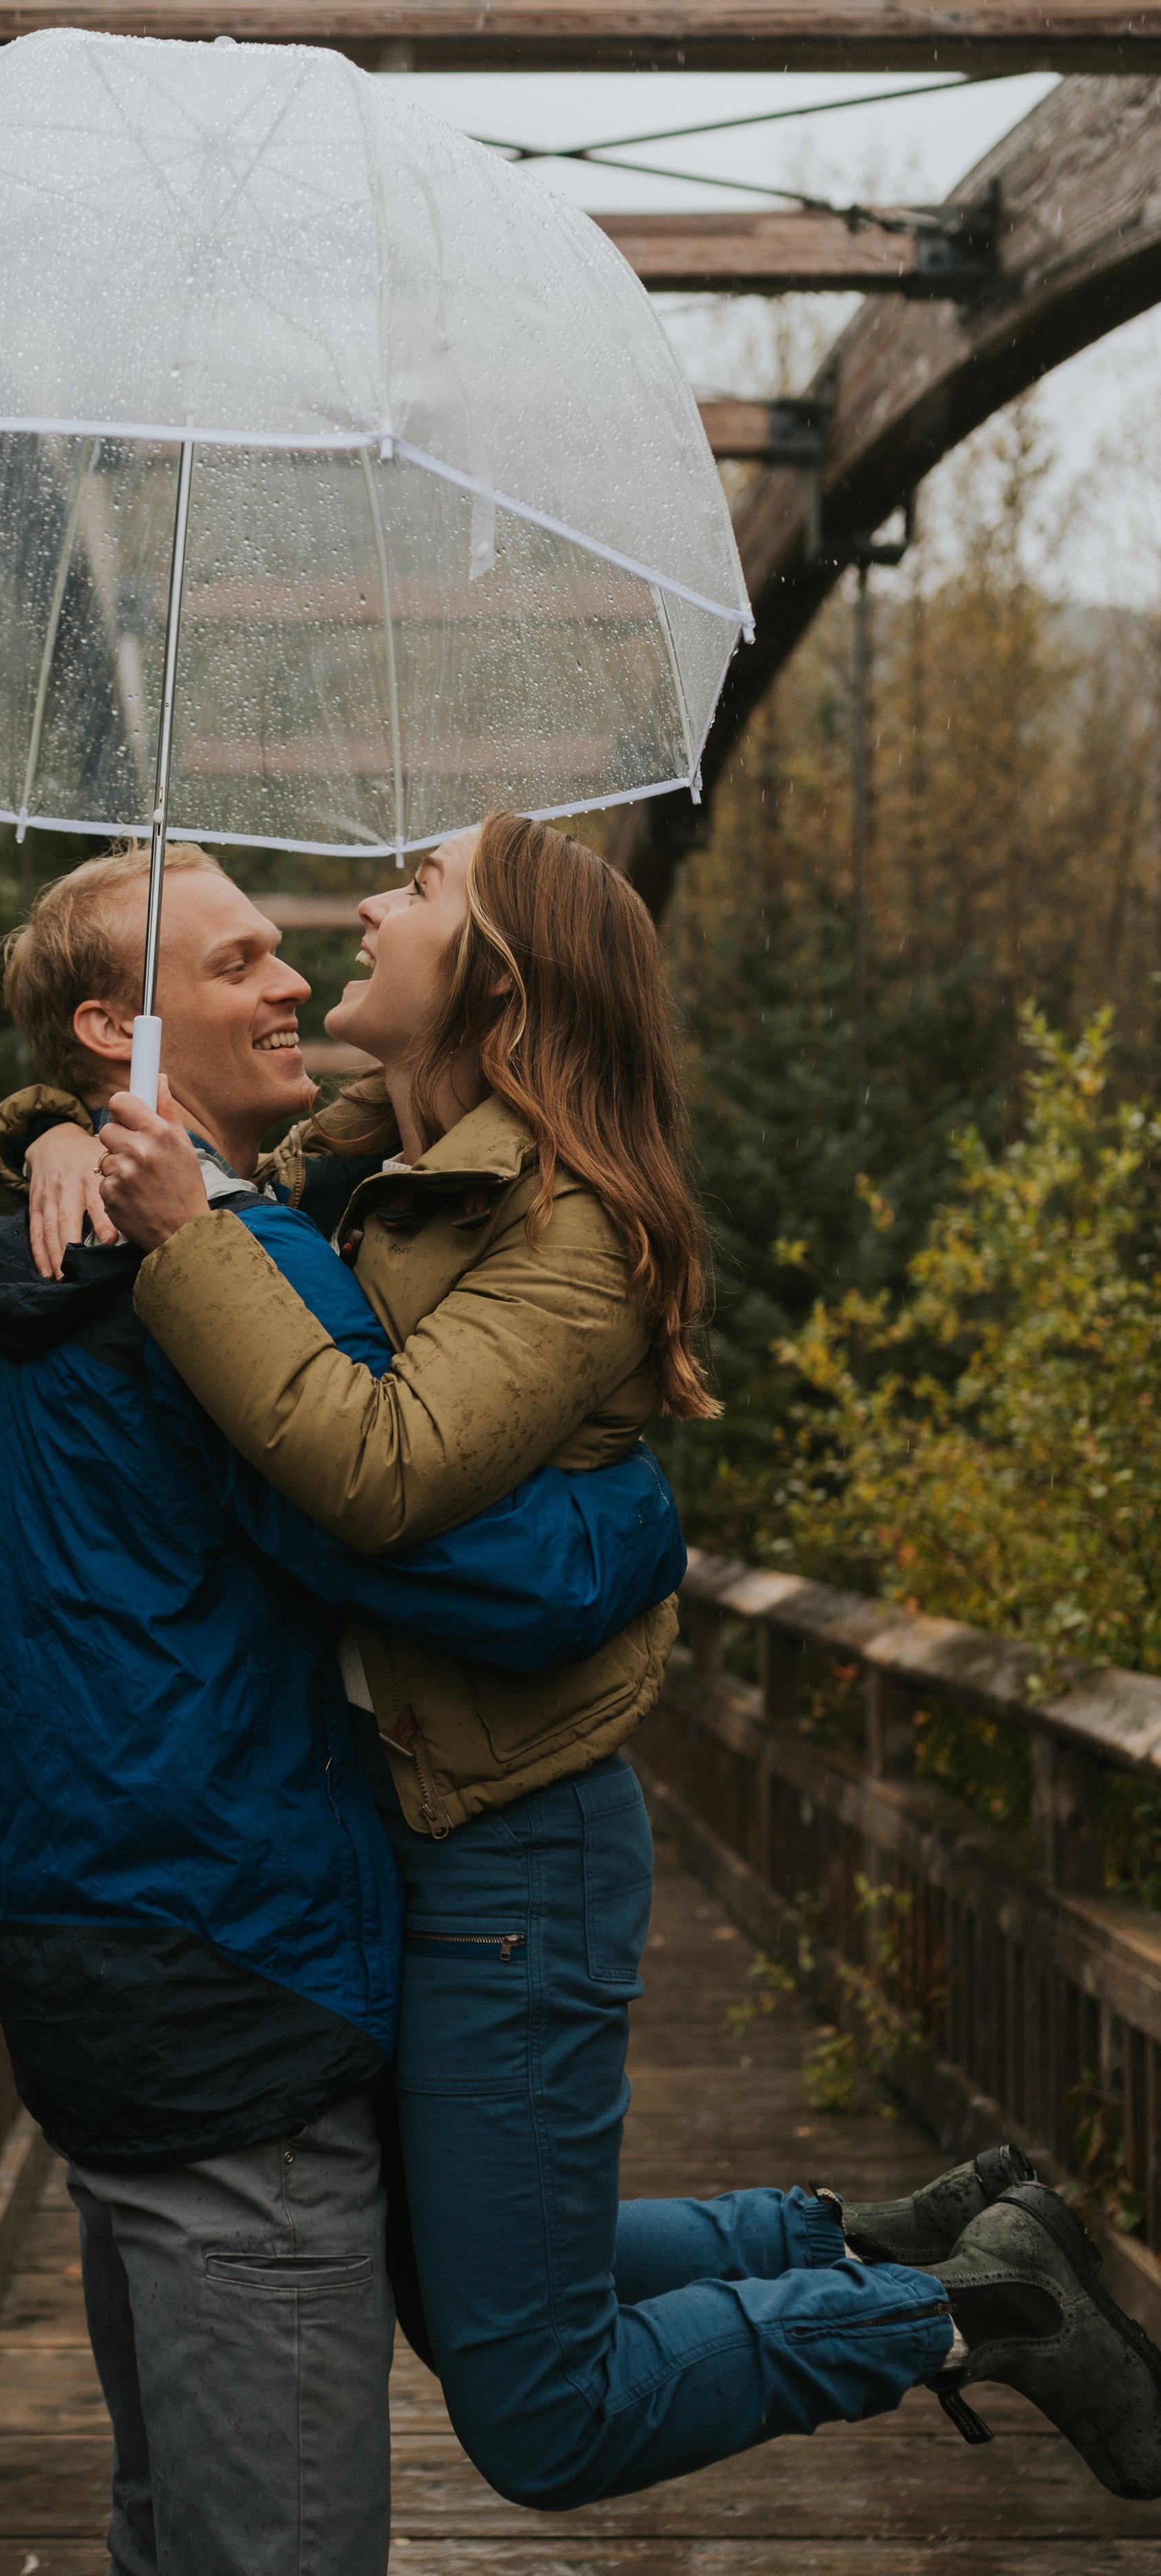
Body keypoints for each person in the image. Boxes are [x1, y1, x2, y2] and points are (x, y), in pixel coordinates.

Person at [60, 810, 1161, 2507]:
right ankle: (874, 2233)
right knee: (444, 2282)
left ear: (496, 975)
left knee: (537, 2412)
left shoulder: (567, 1227)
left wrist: (182, 1239)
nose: (360, 903)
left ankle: (966, 2310)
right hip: (403, 1832)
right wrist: (52, 1140)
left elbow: (377, 1468)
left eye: (415, 887)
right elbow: (192, 1174)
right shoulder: (366, 1172)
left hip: (518, 1848)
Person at [0, 838, 689, 2576]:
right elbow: (433, 1531)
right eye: (232, 966)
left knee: (170, 2525)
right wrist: (634, 1520)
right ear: (113, 1030)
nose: (292, 973)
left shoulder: (51, 1262)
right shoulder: (226, 1275)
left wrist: (48, 1128)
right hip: (236, 1963)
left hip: (94, 1958)